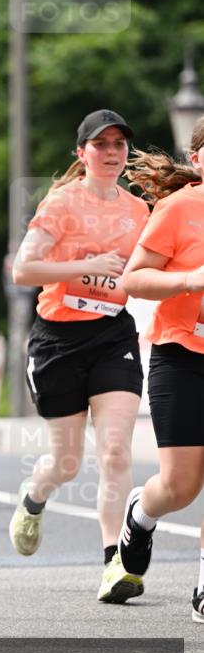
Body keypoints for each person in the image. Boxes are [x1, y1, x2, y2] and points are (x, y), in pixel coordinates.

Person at [9, 109, 150, 604]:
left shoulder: (139, 211)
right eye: (101, 144)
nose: (112, 153)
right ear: (81, 153)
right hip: (58, 341)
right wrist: (86, 265)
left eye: (119, 145)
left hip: (113, 337)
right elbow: (24, 270)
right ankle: (35, 495)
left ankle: (115, 562)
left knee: (115, 452)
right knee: (67, 463)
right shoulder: (62, 202)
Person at [119, 117, 204, 623]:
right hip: (181, 354)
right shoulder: (179, 209)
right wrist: (191, 279)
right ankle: (141, 514)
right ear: (198, 159)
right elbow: (134, 278)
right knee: (181, 485)